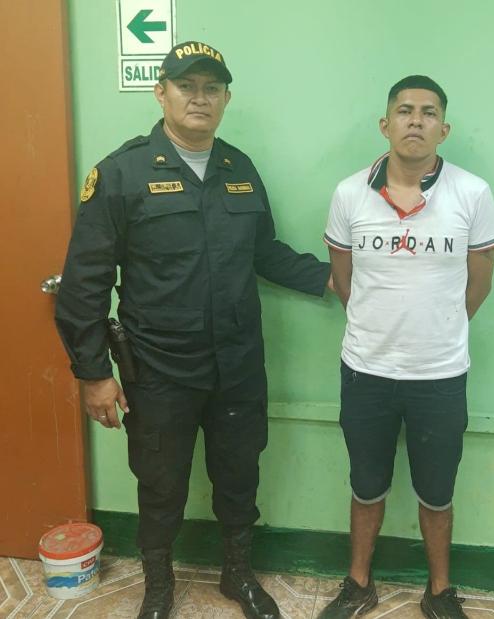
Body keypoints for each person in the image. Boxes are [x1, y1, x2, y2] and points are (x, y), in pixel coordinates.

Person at [55, 41, 330, 619]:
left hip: (238, 364)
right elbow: (84, 284)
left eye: (212, 88)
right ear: (161, 93)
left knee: (239, 475)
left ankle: (237, 575)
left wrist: (334, 278)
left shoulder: (240, 168)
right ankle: (158, 586)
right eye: (186, 86)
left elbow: (265, 252)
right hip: (159, 369)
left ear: (226, 98)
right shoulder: (121, 173)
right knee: (160, 484)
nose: (199, 98)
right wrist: (93, 374)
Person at [319, 75, 494, 619]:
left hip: (440, 374)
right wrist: (380, 326)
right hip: (365, 371)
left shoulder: (473, 193)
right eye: (404, 111)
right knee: (366, 484)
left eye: (428, 112)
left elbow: (480, 283)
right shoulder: (349, 193)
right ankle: (358, 584)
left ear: (444, 128)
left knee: (437, 491)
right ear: (386, 124)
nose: (415, 120)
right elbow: (344, 280)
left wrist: (438, 327)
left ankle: (439, 590)